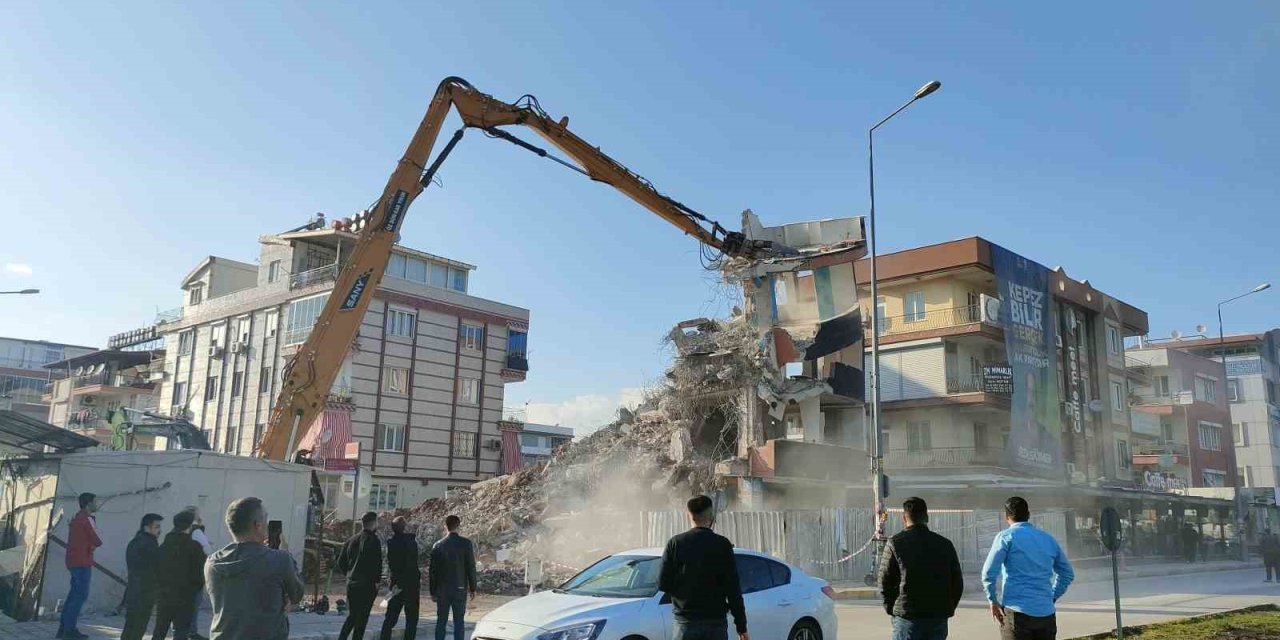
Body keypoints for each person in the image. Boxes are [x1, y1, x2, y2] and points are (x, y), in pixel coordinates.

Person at [205, 497, 304, 640]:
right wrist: (288, 556)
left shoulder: (212, 562)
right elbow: (297, 594)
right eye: (266, 519)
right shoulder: (280, 559)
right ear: (258, 525)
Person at [982, 497, 1075, 640]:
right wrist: (1052, 596)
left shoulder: (1006, 537)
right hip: (1046, 615)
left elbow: (988, 573)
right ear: (1028, 515)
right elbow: (1067, 574)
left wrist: (992, 600)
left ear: (1006, 517)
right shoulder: (1048, 539)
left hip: (1017, 615)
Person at [658, 496, 748, 640]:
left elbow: (663, 583)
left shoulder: (675, 544)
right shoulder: (723, 545)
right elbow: (733, 589)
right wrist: (741, 627)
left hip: (685, 624)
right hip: (715, 624)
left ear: (689, 516)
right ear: (711, 517)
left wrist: (683, 595)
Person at [877, 497, 964, 640]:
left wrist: (894, 609)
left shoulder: (895, 544)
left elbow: (884, 582)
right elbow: (957, 583)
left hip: (907, 618)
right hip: (937, 618)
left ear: (904, 518)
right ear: (927, 517)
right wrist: (946, 608)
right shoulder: (945, 544)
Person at [152, 509, 207, 640]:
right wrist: (195, 590)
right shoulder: (194, 547)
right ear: (189, 526)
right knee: (181, 631)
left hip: (164, 595)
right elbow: (201, 573)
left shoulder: (164, 545)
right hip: (186, 597)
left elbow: (155, 569)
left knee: (160, 630)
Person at [59, 492, 102, 640]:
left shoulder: (78, 518)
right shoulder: (86, 519)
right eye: (95, 501)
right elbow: (98, 540)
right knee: (79, 596)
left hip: (74, 560)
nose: (97, 504)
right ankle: (69, 631)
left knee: (73, 596)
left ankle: (64, 629)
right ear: (89, 504)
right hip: (82, 562)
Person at [429, 515, 476, 640]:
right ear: (458, 526)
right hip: (460, 588)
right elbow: (471, 566)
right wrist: (473, 587)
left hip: (442, 590)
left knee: (441, 621)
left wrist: (432, 591)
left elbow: (433, 571)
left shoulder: (438, 546)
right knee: (459, 622)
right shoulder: (466, 544)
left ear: (446, 526)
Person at [337, 512, 383, 640]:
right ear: (374, 523)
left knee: (352, 616)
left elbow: (341, 562)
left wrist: (349, 574)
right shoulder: (374, 540)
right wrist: (377, 581)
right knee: (362, 619)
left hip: (352, 583)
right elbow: (377, 564)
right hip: (367, 585)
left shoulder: (351, 540)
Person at [122, 514, 164, 640]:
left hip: (133, 592)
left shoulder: (134, 542)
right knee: (137, 629)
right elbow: (156, 568)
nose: (159, 530)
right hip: (144, 594)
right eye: (157, 527)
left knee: (129, 627)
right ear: (147, 527)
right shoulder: (150, 544)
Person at [381, 516, 422, 640]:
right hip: (410, 584)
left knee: (390, 616)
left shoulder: (391, 543)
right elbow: (412, 562)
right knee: (412, 618)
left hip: (396, 583)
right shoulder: (410, 542)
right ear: (404, 527)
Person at [184, 507, 214, 640]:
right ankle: (191, 631)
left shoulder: (184, 532)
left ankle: (187, 630)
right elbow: (208, 550)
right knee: (194, 604)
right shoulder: (196, 532)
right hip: (195, 574)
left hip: (186, 572)